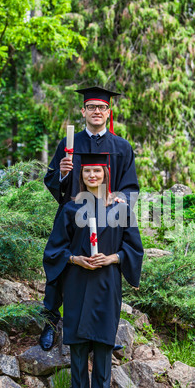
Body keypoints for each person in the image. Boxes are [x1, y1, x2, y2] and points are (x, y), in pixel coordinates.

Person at [43, 153, 143, 388]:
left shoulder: (120, 209)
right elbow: (54, 250)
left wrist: (111, 257)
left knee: (102, 344)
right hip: (77, 281)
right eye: (87, 172)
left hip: (107, 282)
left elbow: (134, 248)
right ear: (81, 176)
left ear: (105, 174)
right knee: (77, 344)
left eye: (97, 171)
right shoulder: (70, 209)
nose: (92, 176)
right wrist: (75, 259)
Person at [40, 86, 140, 350]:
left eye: (102, 107)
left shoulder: (122, 147)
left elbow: (131, 187)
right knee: (61, 264)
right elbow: (52, 181)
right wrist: (62, 174)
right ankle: (51, 321)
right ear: (83, 111)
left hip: (108, 219)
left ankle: (104, 331)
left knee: (103, 272)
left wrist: (121, 200)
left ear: (109, 113)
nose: (97, 111)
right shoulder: (68, 144)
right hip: (73, 216)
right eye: (92, 107)